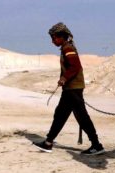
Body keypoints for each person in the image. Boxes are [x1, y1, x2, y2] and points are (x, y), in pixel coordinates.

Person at [33, 22, 104, 155]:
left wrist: (64, 78)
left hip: (73, 89)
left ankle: (96, 145)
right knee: (60, 114)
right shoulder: (66, 47)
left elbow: (75, 67)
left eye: (54, 38)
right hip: (70, 89)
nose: (52, 41)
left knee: (81, 117)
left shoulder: (67, 48)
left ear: (62, 37)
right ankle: (48, 143)